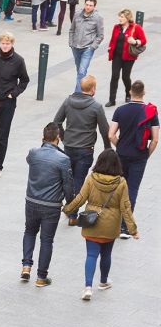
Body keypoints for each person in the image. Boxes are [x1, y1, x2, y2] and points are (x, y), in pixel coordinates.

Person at [63, 150, 138, 301]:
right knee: (106, 254)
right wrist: (133, 230)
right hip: (111, 225)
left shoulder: (91, 178)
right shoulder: (121, 182)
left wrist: (67, 209)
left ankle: (88, 287)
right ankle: (103, 282)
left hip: (92, 222)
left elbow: (81, 198)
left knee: (91, 255)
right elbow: (125, 206)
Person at [53, 74, 111, 225]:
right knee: (79, 181)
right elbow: (104, 130)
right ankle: (73, 215)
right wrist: (107, 148)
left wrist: (64, 138)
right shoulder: (96, 107)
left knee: (68, 180)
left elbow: (56, 122)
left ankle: (67, 207)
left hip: (69, 147)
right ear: (93, 89)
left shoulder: (68, 101)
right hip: (85, 149)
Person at [22, 123, 73, 286]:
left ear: (43, 137)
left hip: (31, 201)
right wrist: (70, 204)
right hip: (51, 205)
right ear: (58, 137)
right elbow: (67, 185)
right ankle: (41, 277)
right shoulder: (63, 159)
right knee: (46, 240)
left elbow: (30, 161)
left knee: (29, 232)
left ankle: (26, 266)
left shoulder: (33, 153)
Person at [109, 80, 158, 238]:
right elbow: (155, 140)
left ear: (130, 92)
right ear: (143, 93)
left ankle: (113, 223)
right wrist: (146, 155)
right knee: (132, 190)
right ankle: (125, 228)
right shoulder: (150, 112)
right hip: (139, 156)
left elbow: (111, 135)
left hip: (122, 155)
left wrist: (120, 146)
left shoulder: (120, 110)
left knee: (118, 188)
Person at [0, 32, 30, 178]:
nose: (5, 46)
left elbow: (24, 80)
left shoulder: (19, 60)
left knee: (3, 135)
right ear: (0, 43)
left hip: (8, 102)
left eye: (7, 43)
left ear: (12, 44)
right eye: (3, 43)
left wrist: (13, 94)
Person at [106, 9, 147, 107]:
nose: (119, 18)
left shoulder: (136, 28)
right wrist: (110, 48)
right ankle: (112, 100)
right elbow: (112, 40)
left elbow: (144, 40)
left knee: (125, 77)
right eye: (119, 16)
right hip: (117, 56)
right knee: (114, 76)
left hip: (129, 57)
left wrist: (135, 42)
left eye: (122, 17)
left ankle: (128, 94)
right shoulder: (116, 27)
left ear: (128, 18)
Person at [68, 0, 104, 93]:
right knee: (79, 71)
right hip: (76, 47)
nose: (88, 7)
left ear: (94, 7)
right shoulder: (77, 14)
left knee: (81, 72)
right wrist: (71, 43)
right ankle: (83, 90)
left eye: (90, 5)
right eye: (87, 5)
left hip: (87, 48)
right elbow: (72, 30)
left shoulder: (98, 18)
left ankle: (77, 94)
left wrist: (92, 47)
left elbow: (100, 35)